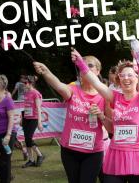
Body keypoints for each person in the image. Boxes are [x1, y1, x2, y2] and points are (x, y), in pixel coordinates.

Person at [70, 44, 139, 183]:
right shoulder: (114, 96)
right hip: (117, 155)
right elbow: (97, 84)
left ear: (136, 78)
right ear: (118, 79)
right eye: (122, 75)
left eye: (130, 75)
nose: (126, 78)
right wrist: (81, 63)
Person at [33, 55, 110, 183]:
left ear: (98, 71)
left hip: (93, 152)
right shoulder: (73, 89)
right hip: (69, 151)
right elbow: (58, 85)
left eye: (90, 65)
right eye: (82, 65)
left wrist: (101, 116)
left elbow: (111, 127)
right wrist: (46, 71)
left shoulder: (105, 94)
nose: (85, 68)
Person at [21, 75, 45, 168]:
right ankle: (31, 160)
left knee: (29, 138)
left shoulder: (36, 93)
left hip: (34, 118)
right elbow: (26, 107)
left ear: (31, 83)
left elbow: (39, 108)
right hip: (26, 118)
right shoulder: (26, 93)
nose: (24, 84)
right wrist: (21, 118)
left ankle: (40, 155)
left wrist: (39, 122)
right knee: (27, 139)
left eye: (25, 83)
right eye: (23, 82)